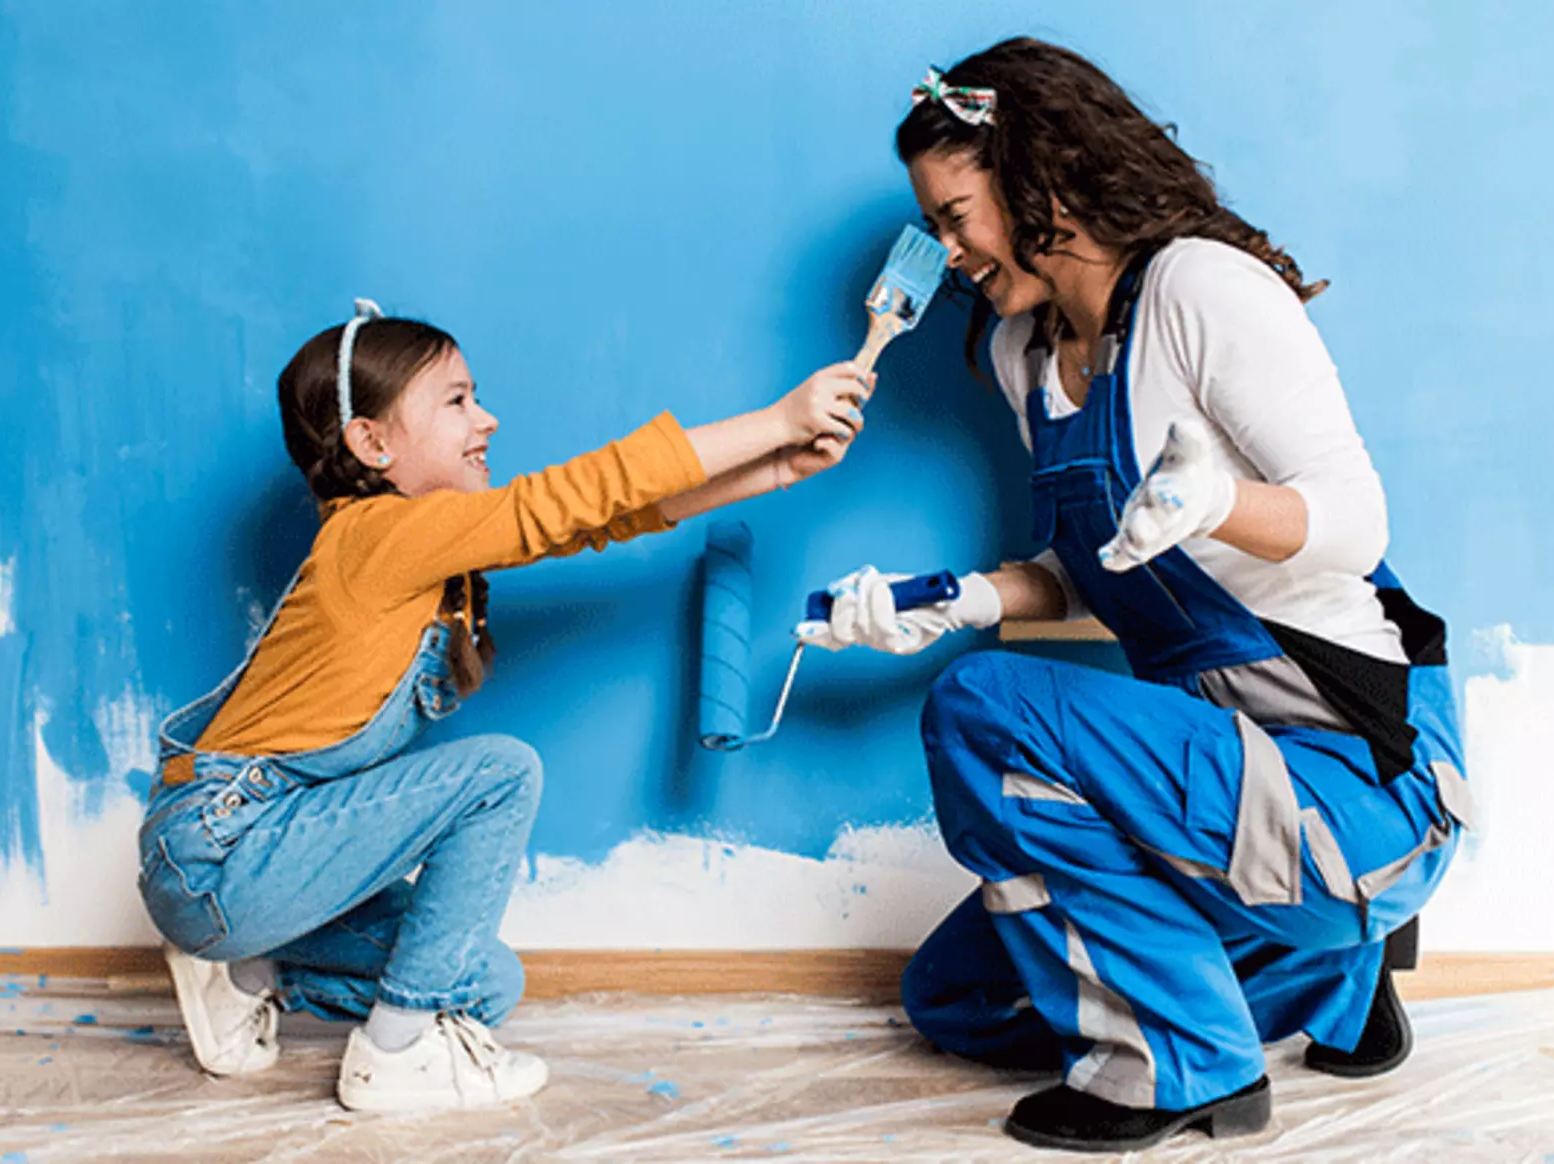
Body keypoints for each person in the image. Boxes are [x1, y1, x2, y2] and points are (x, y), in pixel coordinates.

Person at [800, 40, 1473, 1153]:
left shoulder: (1201, 290)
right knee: (961, 1000)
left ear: (1041, 180)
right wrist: (954, 599)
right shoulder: (1029, 352)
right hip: (1217, 779)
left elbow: (1355, 524)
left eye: (958, 214)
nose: (946, 250)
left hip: (1346, 777)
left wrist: (1217, 500)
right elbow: (1099, 570)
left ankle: (1185, 1068)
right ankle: (1333, 979)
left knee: (979, 708)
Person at [139, 299, 872, 1112]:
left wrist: (774, 466)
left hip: (258, 871)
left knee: (482, 982)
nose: (485, 418)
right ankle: (394, 1058)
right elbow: (568, 499)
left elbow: (595, 522)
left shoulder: (424, 552)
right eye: (455, 401)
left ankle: (245, 972)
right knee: (499, 772)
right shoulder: (374, 537)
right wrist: (775, 419)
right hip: (220, 853)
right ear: (371, 444)